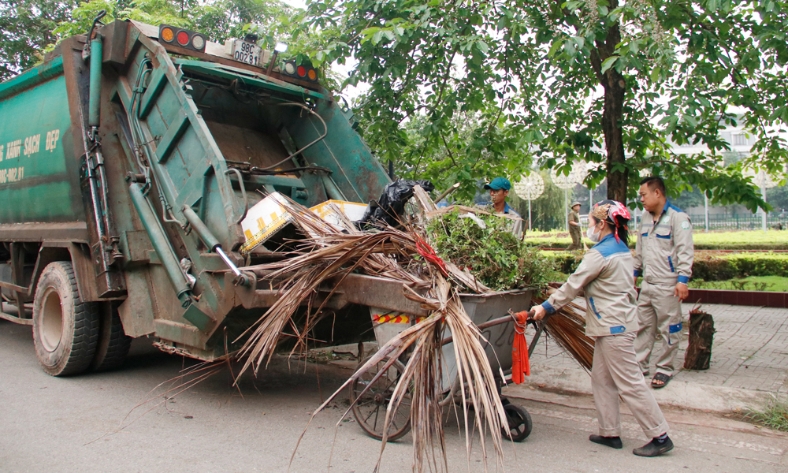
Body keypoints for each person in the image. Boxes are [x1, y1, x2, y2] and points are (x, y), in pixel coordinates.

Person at [527, 200, 673, 457]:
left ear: (602, 224)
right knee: (602, 379)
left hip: (614, 327)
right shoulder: (620, 248)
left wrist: (546, 307)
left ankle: (659, 435)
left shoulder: (600, 253)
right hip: (614, 324)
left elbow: (574, 285)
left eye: (591, 222)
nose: (589, 227)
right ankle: (609, 432)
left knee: (630, 383)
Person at [633, 176, 694, 389]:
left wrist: (682, 280)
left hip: (668, 283)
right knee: (643, 326)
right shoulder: (645, 218)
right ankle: (639, 366)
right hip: (648, 283)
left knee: (670, 327)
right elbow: (640, 248)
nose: (641, 199)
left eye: (643, 194)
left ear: (657, 193)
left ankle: (665, 368)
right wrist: (634, 273)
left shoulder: (679, 218)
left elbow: (685, 251)